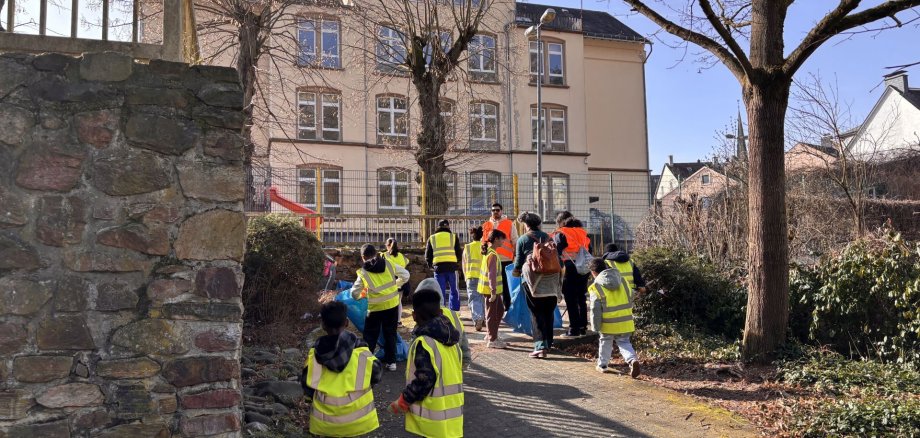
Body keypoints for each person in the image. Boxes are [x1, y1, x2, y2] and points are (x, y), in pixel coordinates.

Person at [388, 289, 464, 438]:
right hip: (453, 415)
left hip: (432, 419)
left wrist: (404, 400)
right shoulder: (452, 340)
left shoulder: (424, 343)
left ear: (414, 315)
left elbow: (425, 379)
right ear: (441, 311)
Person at [301, 301, 383, 437]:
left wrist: (311, 400)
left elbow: (307, 387)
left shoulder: (315, 354)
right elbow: (377, 374)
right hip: (359, 420)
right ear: (346, 323)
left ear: (323, 325)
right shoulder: (361, 350)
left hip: (326, 423)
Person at [350, 244, 410, 371]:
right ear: (376, 253)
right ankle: (391, 362)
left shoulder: (363, 272)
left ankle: (367, 362)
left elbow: (354, 294)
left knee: (370, 336)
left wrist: (362, 295)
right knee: (390, 333)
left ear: (362, 257)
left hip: (375, 308)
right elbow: (406, 275)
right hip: (392, 305)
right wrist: (396, 285)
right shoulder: (388, 264)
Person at [512, 212, 557, 358]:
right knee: (548, 312)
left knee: (536, 313)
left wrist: (516, 271)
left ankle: (540, 346)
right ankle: (549, 343)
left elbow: (518, 262)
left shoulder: (523, 239)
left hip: (533, 282)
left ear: (526, 225)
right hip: (551, 280)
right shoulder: (548, 237)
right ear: (539, 224)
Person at [588, 258, 642, 378]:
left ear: (593, 272)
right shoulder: (622, 280)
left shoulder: (595, 287)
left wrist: (595, 326)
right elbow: (631, 295)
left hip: (608, 323)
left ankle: (602, 365)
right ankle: (632, 360)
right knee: (624, 342)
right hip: (625, 321)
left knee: (605, 342)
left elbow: (595, 310)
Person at [415, 278, 472, 368]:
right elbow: (463, 337)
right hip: (454, 363)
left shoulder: (424, 315)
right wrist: (466, 358)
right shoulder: (453, 314)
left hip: (432, 365)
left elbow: (416, 340)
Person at [554, 213, 592, 337]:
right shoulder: (583, 233)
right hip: (583, 267)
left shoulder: (561, 233)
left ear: (562, 223)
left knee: (570, 298)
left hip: (569, 267)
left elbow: (557, 251)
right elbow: (589, 250)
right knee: (581, 296)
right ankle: (583, 326)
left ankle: (573, 329)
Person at [481, 203, 518, 311]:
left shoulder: (509, 224)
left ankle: (507, 308)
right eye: (493, 210)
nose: (495, 212)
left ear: (501, 211)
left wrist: (515, 255)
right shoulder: (486, 225)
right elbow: (483, 241)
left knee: (506, 286)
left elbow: (515, 240)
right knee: (491, 285)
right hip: (491, 258)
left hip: (505, 259)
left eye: (497, 210)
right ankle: (494, 308)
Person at [425, 219, 462, 312]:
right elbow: (459, 253)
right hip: (452, 268)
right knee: (454, 290)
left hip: (438, 268)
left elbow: (427, 255)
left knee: (440, 291)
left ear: (438, 227)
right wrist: (456, 262)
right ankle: (454, 311)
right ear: (448, 227)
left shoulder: (432, 238)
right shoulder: (453, 237)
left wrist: (430, 265)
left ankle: (441, 310)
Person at [480, 229, 508, 349]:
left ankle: (492, 334)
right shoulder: (492, 254)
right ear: (496, 239)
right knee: (492, 314)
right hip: (491, 291)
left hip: (492, 290)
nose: (503, 241)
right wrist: (493, 292)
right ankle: (492, 339)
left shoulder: (491, 252)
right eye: (502, 239)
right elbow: (491, 275)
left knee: (500, 310)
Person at [462, 226, 485, 331]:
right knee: (483, 298)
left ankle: (477, 319)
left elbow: (464, 263)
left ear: (472, 235)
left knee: (474, 298)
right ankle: (483, 318)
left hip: (471, 276)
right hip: (483, 276)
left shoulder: (467, 247)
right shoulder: (485, 246)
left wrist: (466, 276)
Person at [385, 238, 411, 326]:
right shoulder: (402, 256)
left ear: (388, 246)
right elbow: (407, 261)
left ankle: (390, 321)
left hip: (391, 280)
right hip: (402, 280)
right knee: (399, 301)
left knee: (389, 302)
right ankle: (398, 321)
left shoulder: (385, 255)